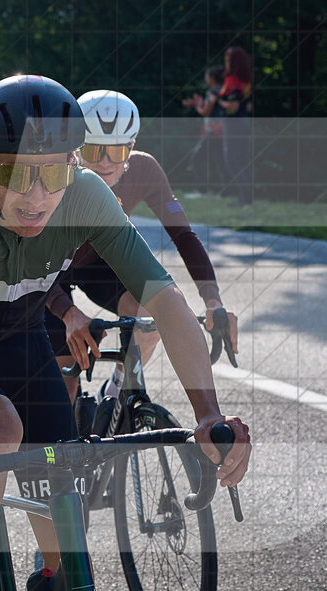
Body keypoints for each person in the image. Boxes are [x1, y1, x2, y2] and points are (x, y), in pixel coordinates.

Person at [0, 75, 251, 591]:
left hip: (22, 339)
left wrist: (207, 413)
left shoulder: (86, 193)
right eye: (17, 175)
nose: (37, 196)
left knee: (61, 502)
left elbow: (164, 302)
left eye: (54, 174)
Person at [45, 89, 239, 403]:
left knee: (150, 318)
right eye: (94, 151)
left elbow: (184, 236)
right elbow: (28, 262)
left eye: (117, 152)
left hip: (98, 261)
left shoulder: (144, 169)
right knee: (64, 380)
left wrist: (213, 299)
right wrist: (68, 314)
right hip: (49, 269)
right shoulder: (56, 177)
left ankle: (118, 395)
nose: (106, 163)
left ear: (131, 146)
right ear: (76, 150)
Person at [182, 65, 226, 197]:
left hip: (213, 130)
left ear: (211, 78)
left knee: (197, 158)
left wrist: (197, 105)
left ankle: (202, 190)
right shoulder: (224, 91)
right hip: (223, 130)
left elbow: (206, 112)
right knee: (220, 160)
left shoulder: (212, 92)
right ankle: (225, 191)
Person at [217, 46, 253, 207]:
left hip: (233, 123)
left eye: (227, 59)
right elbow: (248, 106)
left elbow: (233, 106)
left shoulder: (233, 80)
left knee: (232, 160)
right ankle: (246, 199)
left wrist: (219, 102)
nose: (225, 62)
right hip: (244, 122)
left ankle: (245, 199)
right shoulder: (247, 80)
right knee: (243, 160)